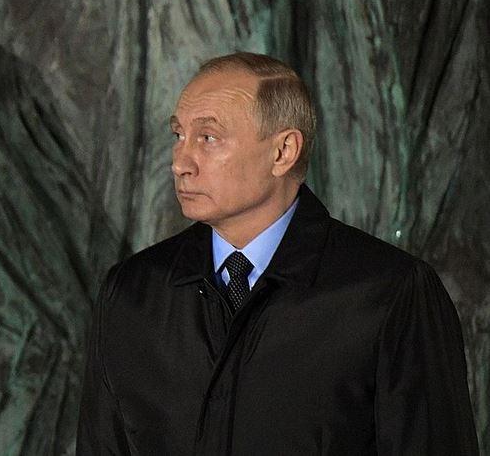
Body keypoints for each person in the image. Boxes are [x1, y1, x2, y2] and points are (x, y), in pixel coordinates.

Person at [76, 52, 478, 455]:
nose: (180, 163)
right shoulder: (130, 293)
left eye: (208, 138)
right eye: (178, 135)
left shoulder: (391, 294)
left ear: (283, 151)